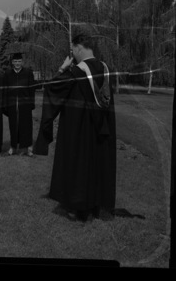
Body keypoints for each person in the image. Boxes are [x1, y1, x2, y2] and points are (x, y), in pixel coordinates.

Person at [34, 33, 117, 222]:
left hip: (78, 130)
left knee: (78, 164)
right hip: (101, 130)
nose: (72, 54)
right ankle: (96, 204)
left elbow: (52, 90)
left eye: (72, 50)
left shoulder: (75, 73)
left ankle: (76, 207)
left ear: (79, 47)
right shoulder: (105, 69)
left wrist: (62, 68)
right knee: (96, 164)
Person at [3, 51, 36, 156]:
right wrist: (6, 105)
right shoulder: (8, 73)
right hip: (12, 104)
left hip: (24, 104)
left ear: (22, 61)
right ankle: (13, 148)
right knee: (13, 126)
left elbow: (32, 89)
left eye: (19, 61)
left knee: (26, 126)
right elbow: (5, 90)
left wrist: (31, 102)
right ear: (12, 62)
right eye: (15, 61)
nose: (17, 63)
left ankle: (28, 149)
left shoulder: (28, 73)